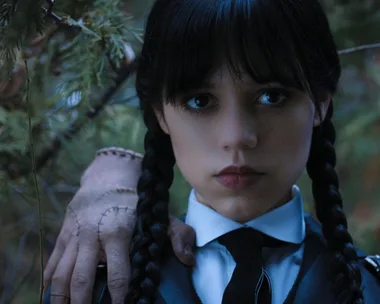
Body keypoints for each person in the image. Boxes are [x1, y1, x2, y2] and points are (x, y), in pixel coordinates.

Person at [43, 0, 380, 303]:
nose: (236, 137)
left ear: (320, 103)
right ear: (160, 112)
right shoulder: (92, 286)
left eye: (271, 97)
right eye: (200, 101)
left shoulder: (371, 287)